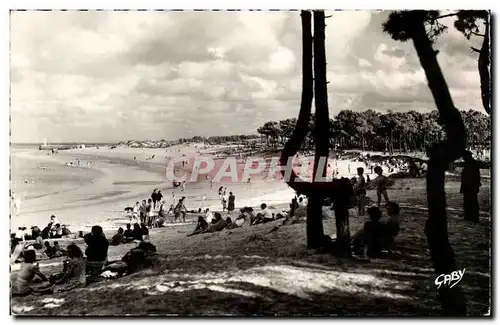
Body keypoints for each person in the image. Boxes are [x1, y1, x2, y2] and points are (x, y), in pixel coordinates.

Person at [461, 150, 482, 223]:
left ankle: (473, 217)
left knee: (472, 201)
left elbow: (475, 176)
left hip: (470, 186)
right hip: (469, 186)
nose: (463, 158)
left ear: (467, 156)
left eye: (464, 157)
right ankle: (469, 216)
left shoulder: (471, 164)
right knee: (468, 201)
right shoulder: (470, 163)